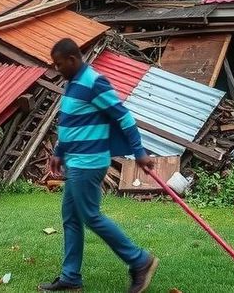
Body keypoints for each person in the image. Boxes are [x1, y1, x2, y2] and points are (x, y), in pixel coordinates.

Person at [39, 38, 159, 293]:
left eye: (59, 64)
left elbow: (123, 116)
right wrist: (59, 151)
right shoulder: (72, 85)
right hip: (75, 162)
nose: (56, 68)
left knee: (90, 216)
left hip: (89, 163)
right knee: (71, 219)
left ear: (72, 59)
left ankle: (140, 261)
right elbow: (70, 124)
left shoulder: (95, 82)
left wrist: (139, 151)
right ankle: (70, 278)